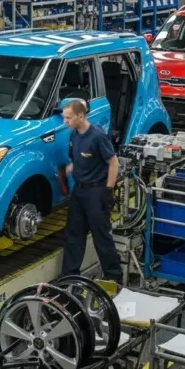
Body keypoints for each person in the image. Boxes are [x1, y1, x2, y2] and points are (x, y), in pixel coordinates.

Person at [60, 99, 123, 282]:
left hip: (96, 192)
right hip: (79, 192)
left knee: (101, 236)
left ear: (81, 116)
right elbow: (76, 160)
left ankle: (113, 276)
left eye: (68, 118)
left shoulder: (97, 136)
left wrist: (108, 190)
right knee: (73, 236)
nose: (65, 122)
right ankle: (70, 276)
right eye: (64, 118)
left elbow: (113, 162)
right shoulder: (74, 136)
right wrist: (67, 170)